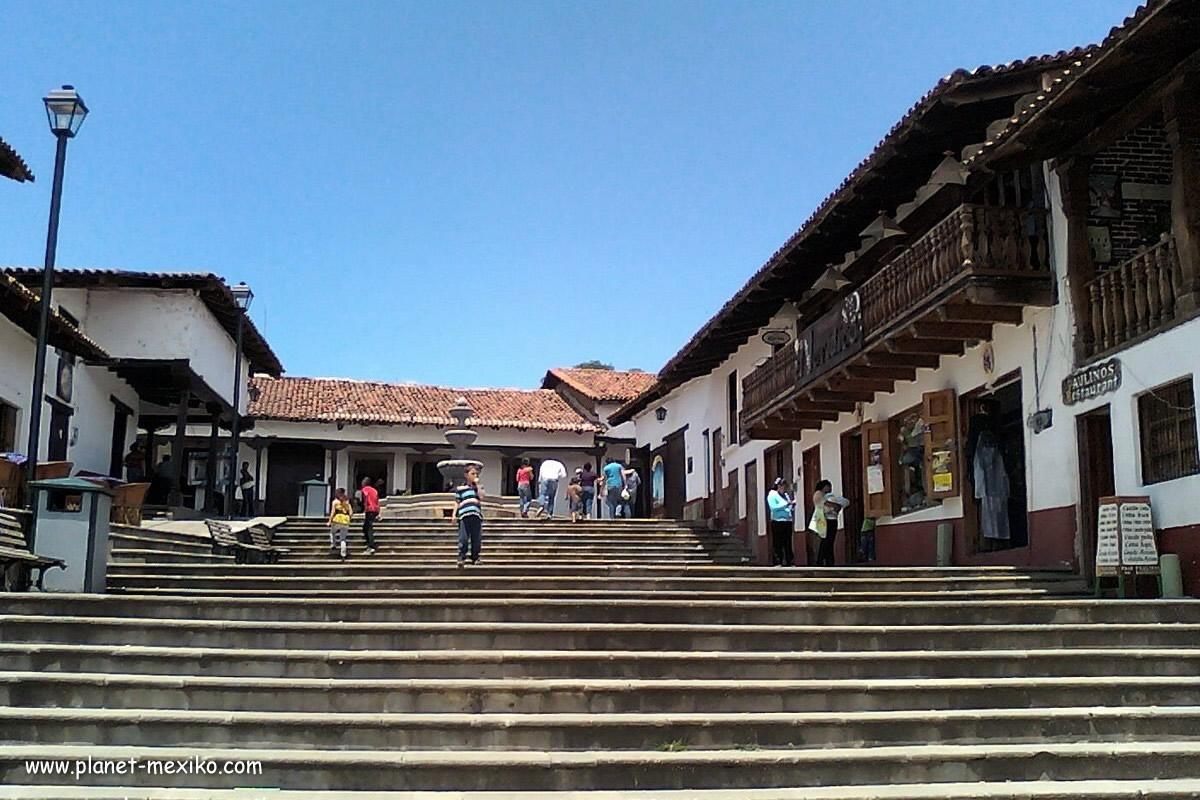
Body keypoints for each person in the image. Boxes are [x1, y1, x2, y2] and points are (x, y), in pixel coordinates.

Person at [812, 479, 850, 567]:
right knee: (826, 541)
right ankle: (820, 560)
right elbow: (827, 504)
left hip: (832, 519)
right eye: (828, 486)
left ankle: (829, 561)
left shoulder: (829, 496)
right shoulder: (819, 494)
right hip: (825, 520)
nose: (829, 488)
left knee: (830, 541)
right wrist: (835, 506)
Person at [455, 465, 484, 567]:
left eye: (476, 474)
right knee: (463, 538)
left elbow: (481, 497)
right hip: (464, 515)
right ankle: (461, 557)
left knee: (476, 538)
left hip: (476, 515)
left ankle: (475, 557)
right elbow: (457, 502)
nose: (474, 475)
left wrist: (478, 485)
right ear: (466, 475)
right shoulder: (460, 489)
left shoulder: (478, 488)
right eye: (472, 474)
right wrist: (454, 514)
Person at [766, 477, 796, 567]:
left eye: (785, 486)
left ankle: (789, 561)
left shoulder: (786, 495)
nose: (783, 488)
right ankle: (778, 561)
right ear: (778, 486)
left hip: (787, 521)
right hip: (777, 521)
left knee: (788, 542)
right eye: (782, 486)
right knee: (778, 542)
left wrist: (792, 506)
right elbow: (773, 507)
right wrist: (786, 504)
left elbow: (789, 507)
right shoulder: (772, 495)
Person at [329, 488, 353, 560]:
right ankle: (343, 554)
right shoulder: (347, 502)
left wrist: (330, 520)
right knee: (343, 539)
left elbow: (333, 512)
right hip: (345, 520)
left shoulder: (335, 502)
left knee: (332, 532)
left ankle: (333, 544)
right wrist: (349, 518)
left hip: (337, 518)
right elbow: (351, 513)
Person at [360, 477, 379, 555]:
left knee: (368, 528)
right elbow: (377, 501)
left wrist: (364, 508)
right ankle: (369, 543)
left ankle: (371, 546)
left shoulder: (364, 489)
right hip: (375, 509)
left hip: (369, 509)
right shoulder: (374, 490)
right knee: (365, 527)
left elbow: (365, 499)